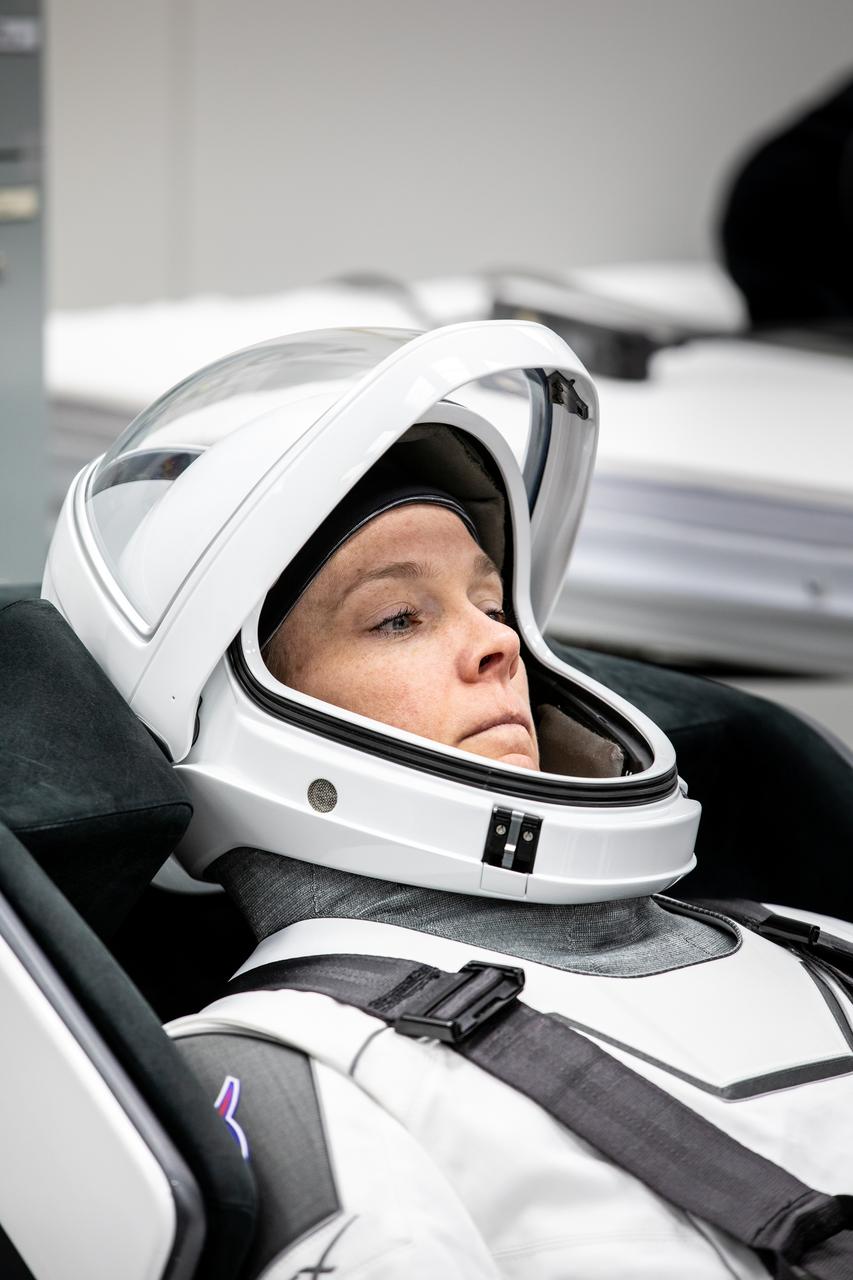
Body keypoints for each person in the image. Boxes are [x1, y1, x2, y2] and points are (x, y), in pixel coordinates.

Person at [44, 322, 853, 1278]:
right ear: (227, 708)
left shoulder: (818, 943)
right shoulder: (281, 1079)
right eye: (397, 616)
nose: (499, 644)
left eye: (491, 601)